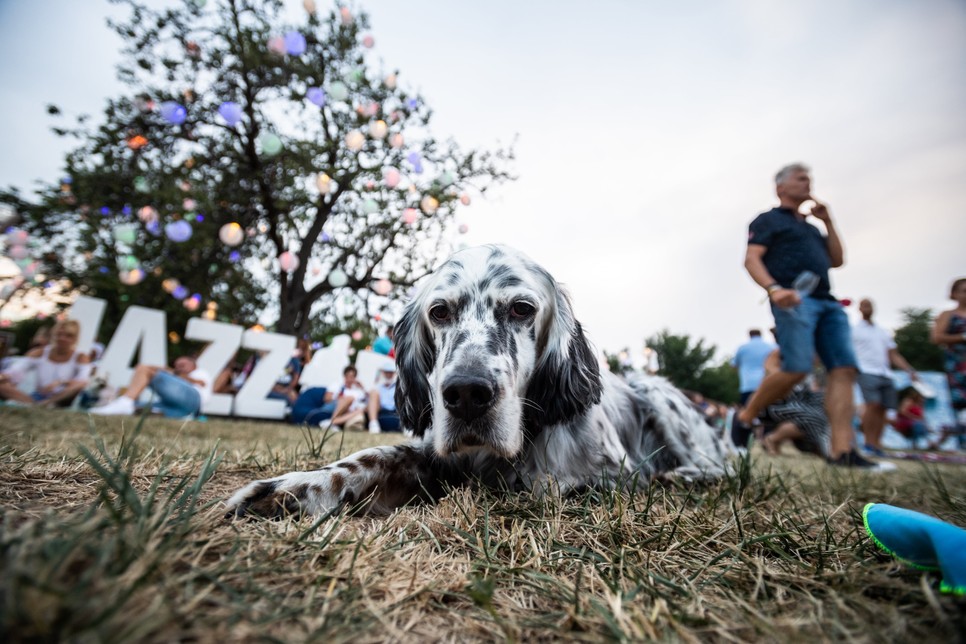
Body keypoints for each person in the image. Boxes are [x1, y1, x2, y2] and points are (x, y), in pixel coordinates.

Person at [738, 162, 888, 470]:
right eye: (801, 178)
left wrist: (828, 221)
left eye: (810, 178)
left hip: (827, 301)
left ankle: (843, 451)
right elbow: (751, 259)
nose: (808, 183)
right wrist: (774, 289)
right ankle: (744, 418)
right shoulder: (768, 221)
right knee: (796, 368)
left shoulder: (811, 227)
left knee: (844, 370)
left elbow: (837, 259)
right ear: (780, 187)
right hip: (794, 300)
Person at [853, 298, 918, 456]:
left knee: (883, 409)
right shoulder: (854, 330)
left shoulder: (882, 331)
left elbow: (893, 355)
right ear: (859, 309)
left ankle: (877, 444)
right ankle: (868, 443)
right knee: (872, 405)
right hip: (866, 370)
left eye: (870, 305)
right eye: (864, 305)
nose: (867, 308)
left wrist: (909, 370)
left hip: (885, 373)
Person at [0, 319, 92, 406]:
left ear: (75, 339)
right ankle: (35, 405)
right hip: (38, 395)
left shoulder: (80, 357)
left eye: (68, 336)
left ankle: (46, 404)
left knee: (77, 386)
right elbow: (16, 371)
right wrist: (5, 376)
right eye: (59, 334)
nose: (62, 338)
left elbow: (83, 381)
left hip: (64, 398)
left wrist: (61, 382)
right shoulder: (39, 353)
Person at [758, 349, 830, 458]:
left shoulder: (810, 371)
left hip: (797, 404)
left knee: (823, 411)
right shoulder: (782, 356)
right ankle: (772, 439)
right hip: (777, 404)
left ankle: (816, 445)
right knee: (814, 416)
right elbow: (772, 378)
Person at [91, 354, 212, 418]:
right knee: (135, 407)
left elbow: (200, 383)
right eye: (176, 365)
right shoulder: (180, 375)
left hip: (194, 400)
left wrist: (171, 371)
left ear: (193, 364)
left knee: (144, 369)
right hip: (182, 410)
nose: (178, 368)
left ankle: (125, 401)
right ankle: (125, 405)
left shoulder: (200, 372)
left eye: (182, 365)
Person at [931, 277, 966, 448]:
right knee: (961, 406)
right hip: (958, 366)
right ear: (954, 294)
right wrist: (962, 337)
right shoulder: (948, 315)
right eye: (964, 291)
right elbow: (936, 337)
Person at [730, 328, 776, 448]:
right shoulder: (770, 346)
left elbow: (734, 365)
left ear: (749, 335)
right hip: (767, 383)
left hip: (748, 385)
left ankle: (743, 443)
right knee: (770, 414)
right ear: (761, 335)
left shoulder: (743, 348)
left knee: (747, 413)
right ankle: (768, 441)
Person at [367, 360, 400, 433]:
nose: (388, 374)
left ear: (394, 373)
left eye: (390, 372)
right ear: (383, 373)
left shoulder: (398, 387)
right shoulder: (377, 387)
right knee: (373, 393)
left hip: (396, 414)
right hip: (381, 413)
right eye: (386, 372)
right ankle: (373, 423)